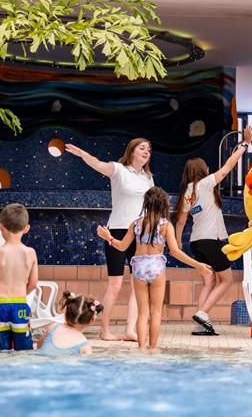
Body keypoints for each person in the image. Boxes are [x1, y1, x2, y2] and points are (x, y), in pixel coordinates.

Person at [97, 187, 213, 348]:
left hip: (138, 268)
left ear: (145, 203)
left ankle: (141, 348)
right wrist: (197, 265)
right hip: (156, 268)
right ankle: (152, 348)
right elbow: (175, 252)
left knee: (143, 313)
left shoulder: (136, 224)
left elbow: (122, 246)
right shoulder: (166, 225)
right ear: (164, 205)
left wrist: (109, 237)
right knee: (156, 313)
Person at [65, 138, 155, 342]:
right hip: (117, 231)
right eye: (142, 148)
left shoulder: (148, 178)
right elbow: (97, 164)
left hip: (139, 234)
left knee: (138, 284)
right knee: (115, 284)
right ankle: (104, 330)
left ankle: (130, 330)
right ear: (132, 150)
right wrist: (82, 154)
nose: (146, 151)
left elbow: (152, 205)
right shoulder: (119, 170)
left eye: (149, 150)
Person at [174, 125, 252, 335]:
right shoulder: (205, 184)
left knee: (208, 281)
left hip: (196, 242)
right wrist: (244, 145)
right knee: (227, 280)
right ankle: (203, 313)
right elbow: (228, 167)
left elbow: (181, 221)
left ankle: (199, 322)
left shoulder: (187, 192)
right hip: (211, 240)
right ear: (202, 170)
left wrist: (178, 241)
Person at [0, 203, 38, 351]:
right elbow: (33, 284)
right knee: (24, 351)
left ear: (0, 226)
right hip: (20, 304)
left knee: (0, 350)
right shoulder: (30, 253)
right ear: (26, 228)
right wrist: (21, 294)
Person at [36, 292, 103, 356]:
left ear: (65, 315)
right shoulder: (84, 346)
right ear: (91, 320)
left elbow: (38, 346)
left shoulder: (53, 327)